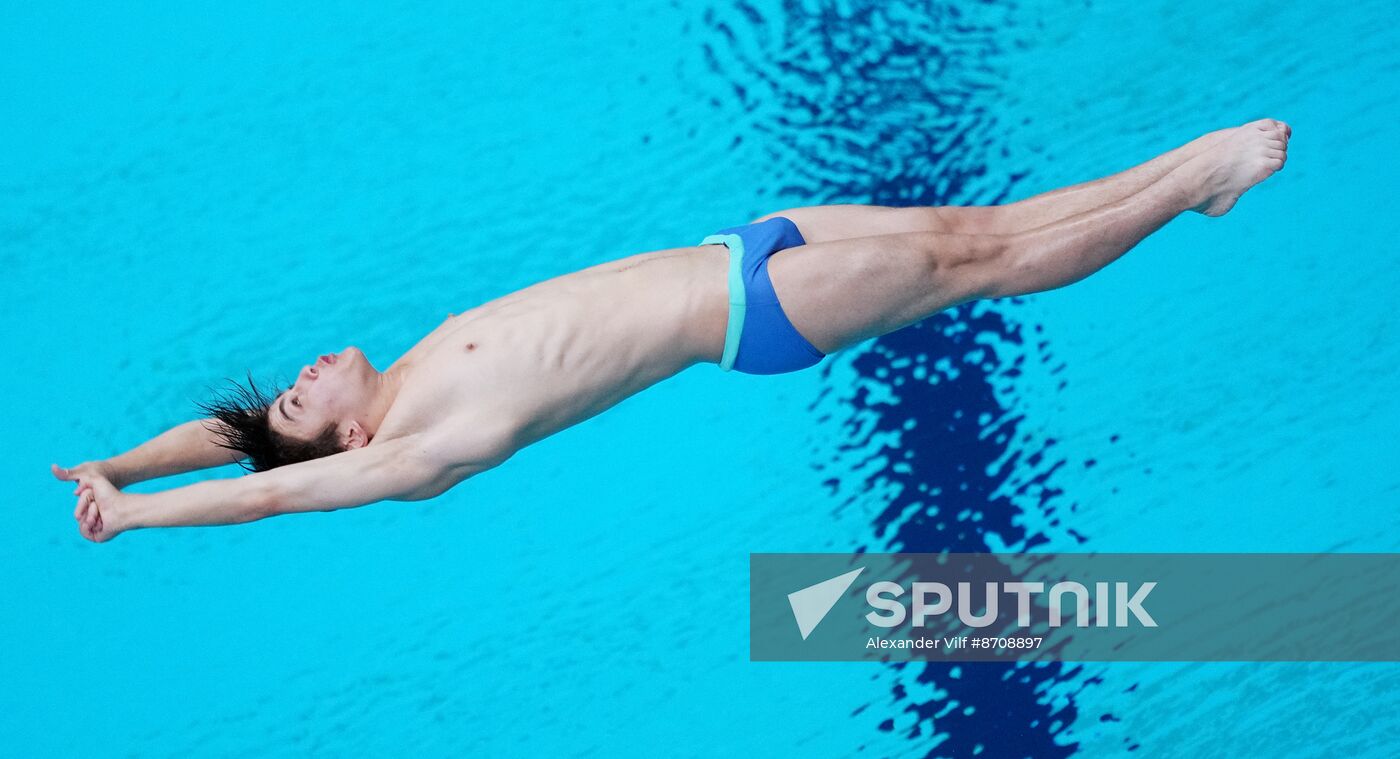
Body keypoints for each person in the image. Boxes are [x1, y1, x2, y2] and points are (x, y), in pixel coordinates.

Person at [53, 119, 1291, 542]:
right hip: (751, 314)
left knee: (979, 226)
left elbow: (234, 450)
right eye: (299, 403)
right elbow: (265, 495)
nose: (311, 373)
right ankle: (1192, 185)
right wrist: (140, 520)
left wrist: (120, 462)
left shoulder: (409, 371)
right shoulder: (411, 450)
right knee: (995, 269)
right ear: (344, 443)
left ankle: (1184, 168)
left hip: (745, 246)